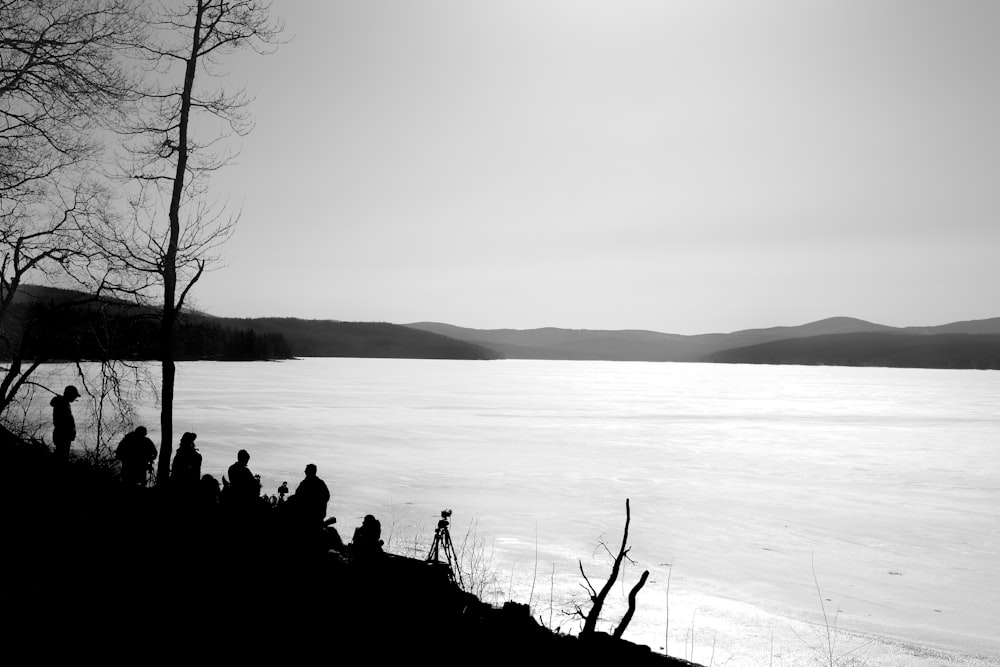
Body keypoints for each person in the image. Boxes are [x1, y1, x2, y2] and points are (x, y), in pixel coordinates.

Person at [50, 385, 79, 462]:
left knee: (62, 456)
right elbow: (65, 421)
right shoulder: (62, 403)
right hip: (62, 435)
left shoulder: (63, 402)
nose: (75, 398)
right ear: (70, 394)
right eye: (74, 396)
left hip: (63, 435)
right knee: (62, 457)